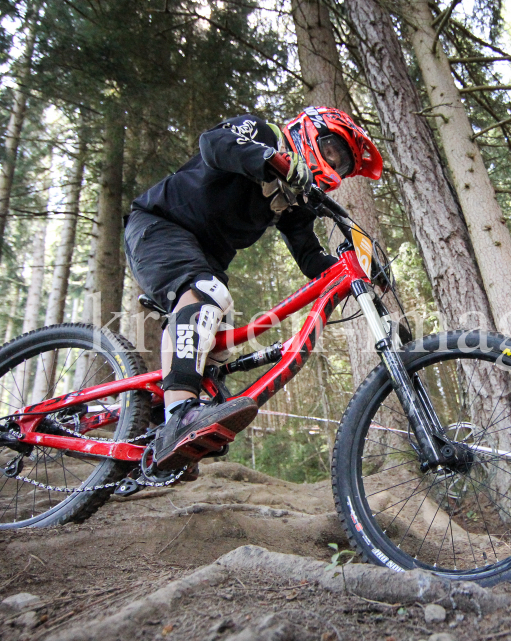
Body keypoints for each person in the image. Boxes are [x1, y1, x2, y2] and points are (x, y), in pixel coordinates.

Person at [124, 107, 383, 472]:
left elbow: (310, 258)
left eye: (340, 165)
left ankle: (158, 428)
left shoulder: (293, 198)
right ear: (310, 131)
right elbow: (213, 144)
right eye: (332, 151)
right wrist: (266, 158)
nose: (333, 165)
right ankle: (181, 413)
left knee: (218, 346)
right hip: (159, 225)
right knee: (207, 295)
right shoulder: (262, 134)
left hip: (206, 260)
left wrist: (357, 267)